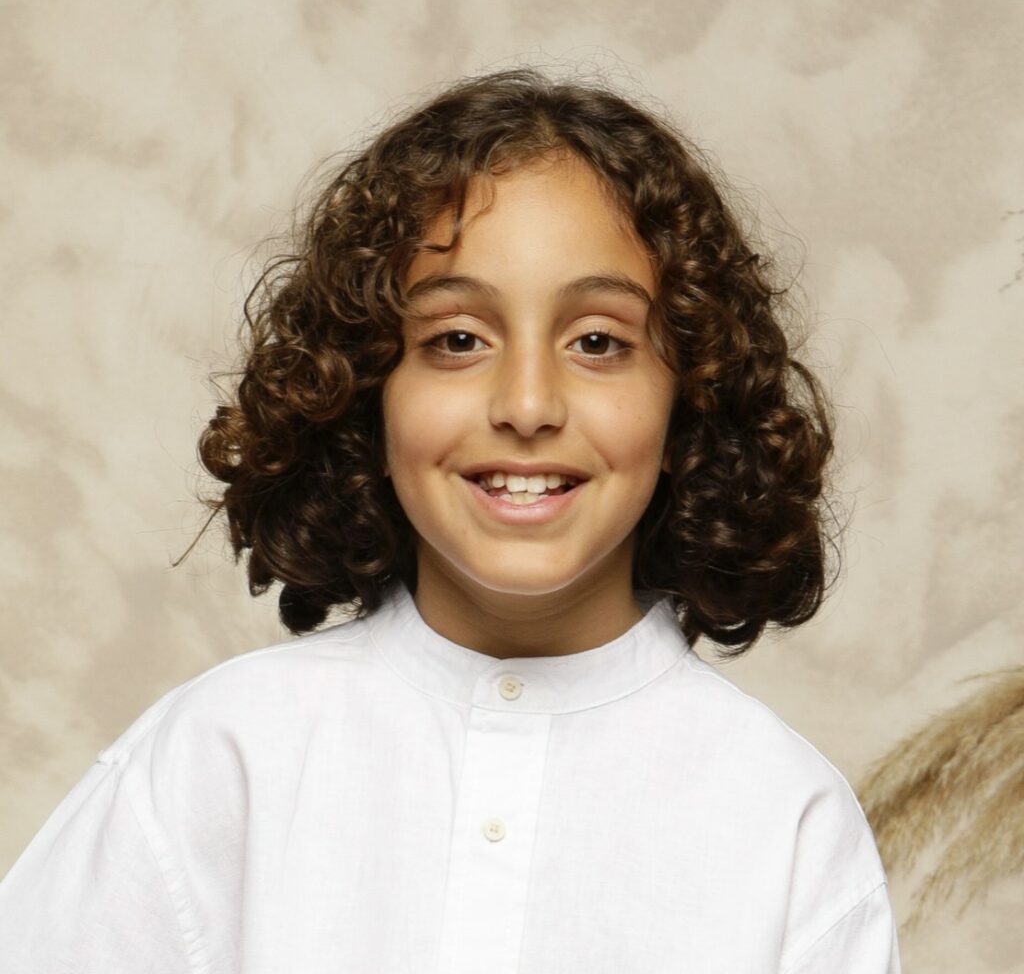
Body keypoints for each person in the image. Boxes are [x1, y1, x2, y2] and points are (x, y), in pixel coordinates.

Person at [0, 68, 902, 972]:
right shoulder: (220, 759)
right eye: (458, 340)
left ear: (689, 399)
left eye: (597, 342)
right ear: (368, 393)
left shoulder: (783, 820)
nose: (527, 405)